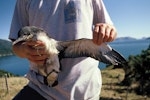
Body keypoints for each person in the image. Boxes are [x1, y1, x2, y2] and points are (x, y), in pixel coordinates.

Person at [9, 0, 117, 100]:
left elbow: (109, 27)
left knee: (86, 43)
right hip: (40, 90)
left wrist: (108, 30)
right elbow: (16, 43)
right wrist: (24, 50)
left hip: (86, 92)